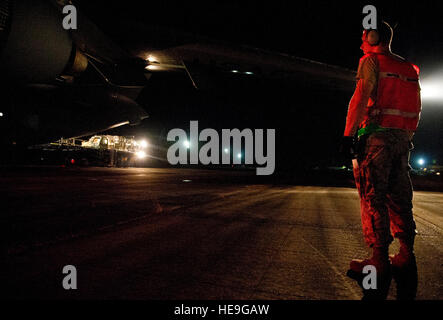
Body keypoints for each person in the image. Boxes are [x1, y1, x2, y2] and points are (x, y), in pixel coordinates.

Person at [340, 21, 421, 299]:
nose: (361, 40)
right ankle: (407, 255)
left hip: (376, 140)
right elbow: (415, 109)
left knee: (373, 197)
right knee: (400, 197)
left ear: (374, 37)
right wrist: (404, 136)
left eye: (364, 35)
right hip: (402, 141)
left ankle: (379, 261)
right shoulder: (409, 69)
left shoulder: (371, 62)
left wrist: (348, 135)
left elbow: (360, 99)